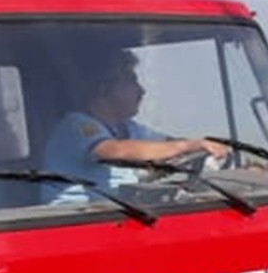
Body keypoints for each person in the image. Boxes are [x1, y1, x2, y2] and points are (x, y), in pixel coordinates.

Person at [38, 56, 228, 202]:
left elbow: (165, 144)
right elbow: (113, 151)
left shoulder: (129, 128)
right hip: (73, 221)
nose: (142, 90)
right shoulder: (76, 125)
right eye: (131, 82)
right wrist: (186, 146)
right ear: (104, 87)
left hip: (117, 214)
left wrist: (200, 147)